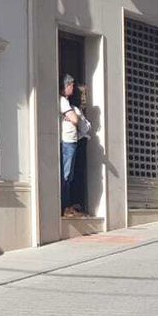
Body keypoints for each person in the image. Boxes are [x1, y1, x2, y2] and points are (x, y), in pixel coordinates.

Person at [60, 74, 89, 216]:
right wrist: (74, 117)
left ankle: (69, 205)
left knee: (70, 175)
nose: (72, 87)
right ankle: (65, 207)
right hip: (68, 141)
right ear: (65, 86)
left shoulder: (67, 103)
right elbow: (75, 119)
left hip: (72, 140)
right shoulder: (63, 101)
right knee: (66, 175)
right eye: (70, 85)